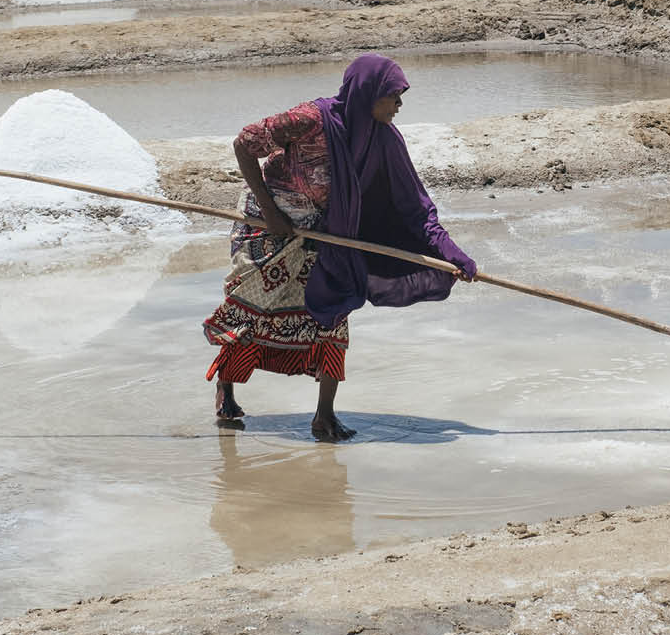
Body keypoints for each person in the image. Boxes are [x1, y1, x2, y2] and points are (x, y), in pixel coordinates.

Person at [202, 54, 477, 442]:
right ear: (369, 94)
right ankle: (226, 392)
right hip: (268, 228)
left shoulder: (384, 140)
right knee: (253, 311)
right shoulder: (309, 119)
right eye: (394, 96)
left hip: (327, 234)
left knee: (334, 315)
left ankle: (324, 417)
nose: (400, 106)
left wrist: (453, 255)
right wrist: (269, 211)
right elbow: (244, 144)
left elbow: (417, 209)